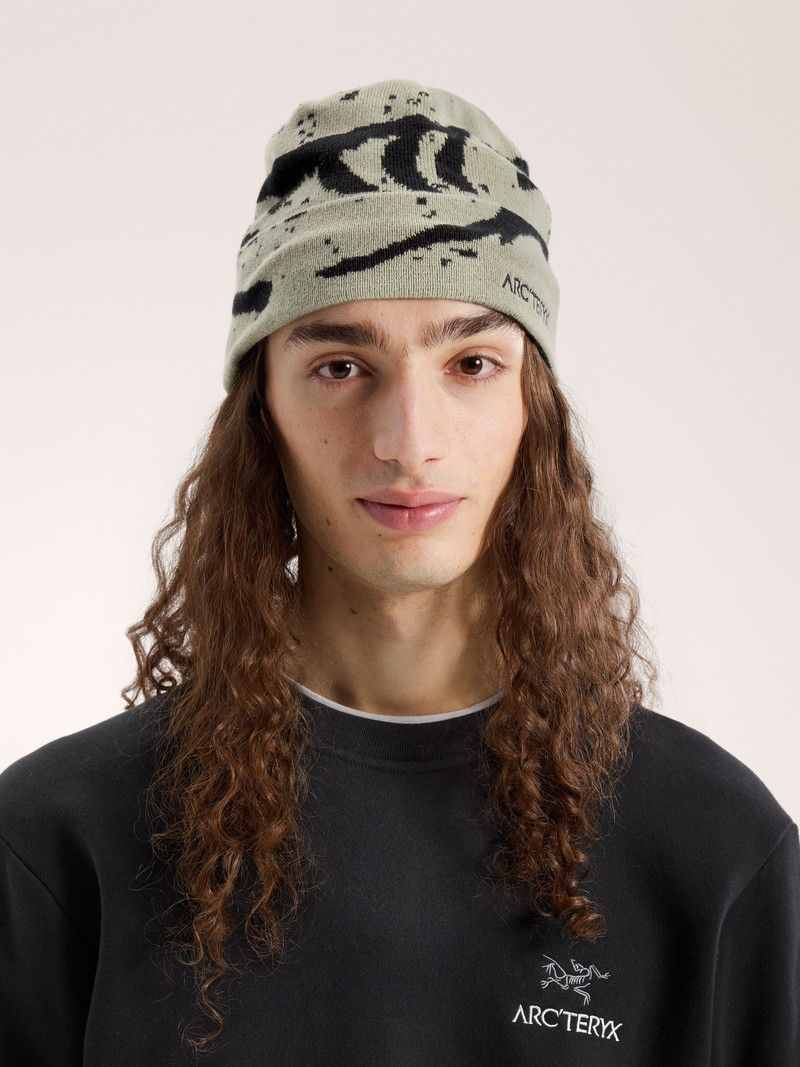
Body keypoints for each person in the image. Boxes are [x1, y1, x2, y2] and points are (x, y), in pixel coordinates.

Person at [0, 77, 797, 1066]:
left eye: (470, 364)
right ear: (261, 412)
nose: (408, 441)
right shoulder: (59, 844)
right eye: (341, 366)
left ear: (534, 409)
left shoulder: (716, 851)